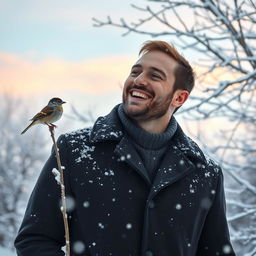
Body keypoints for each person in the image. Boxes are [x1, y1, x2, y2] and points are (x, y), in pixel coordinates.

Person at [14, 40, 236, 256]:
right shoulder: (73, 151)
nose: (139, 80)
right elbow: (35, 240)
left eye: (155, 75)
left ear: (179, 97)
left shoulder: (205, 172)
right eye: (135, 72)